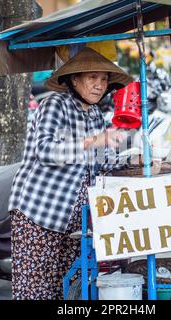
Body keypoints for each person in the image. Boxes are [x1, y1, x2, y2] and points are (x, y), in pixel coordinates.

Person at [8, 47, 133, 300]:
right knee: (35, 291)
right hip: (39, 214)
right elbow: (45, 151)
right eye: (92, 78)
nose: (99, 85)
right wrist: (92, 141)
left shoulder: (96, 114)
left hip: (77, 222)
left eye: (104, 79)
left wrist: (138, 160)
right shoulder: (55, 105)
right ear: (75, 80)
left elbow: (102, 164)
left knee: (69, 290)